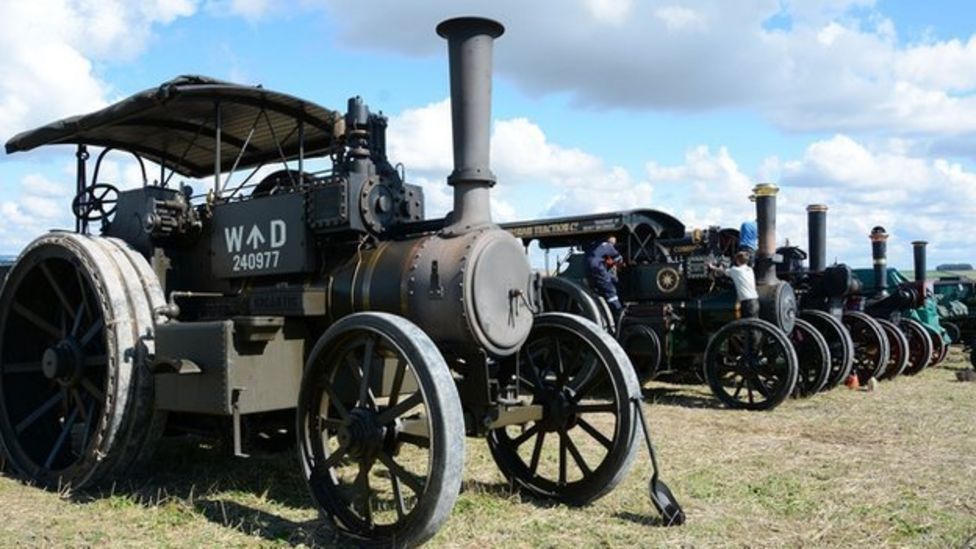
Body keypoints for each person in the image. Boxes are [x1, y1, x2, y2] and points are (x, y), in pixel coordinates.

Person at [711, 251, 759, 318]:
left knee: (748, 323)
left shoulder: (735, 270)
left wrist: (712, 267)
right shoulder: (750, 270)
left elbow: (721, 270)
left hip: (746, 302)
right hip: (755, 301)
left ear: (737, 261)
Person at [585, 235, 624, 315]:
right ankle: (618, 310)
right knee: (610, 289)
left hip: (588, 267)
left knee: (606, 282)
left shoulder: (596, 245)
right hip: (597, 267)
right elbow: (618, 258)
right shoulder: (607, 246)